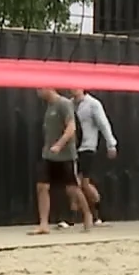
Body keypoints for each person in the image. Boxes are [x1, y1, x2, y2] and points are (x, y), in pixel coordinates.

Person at [32, 87, 88, 235]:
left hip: (65, 155)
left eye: (39, 88)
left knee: (72, 189)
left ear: (48, 87)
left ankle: (87, 216)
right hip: (48, 155)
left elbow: (71, 127)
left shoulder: (64, 104)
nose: (38, 92)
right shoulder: (49, 106)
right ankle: (43, 224)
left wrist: (59, 144)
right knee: (42, 186)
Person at [71, 89, 118, 227]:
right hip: (73, 148)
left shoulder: (93, 104)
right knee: (74, 182)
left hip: (87, 147)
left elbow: (103, 124)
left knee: (80, 182)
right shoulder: (69, 104)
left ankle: (96, 214)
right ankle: (77, 216)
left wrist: (111, 144)